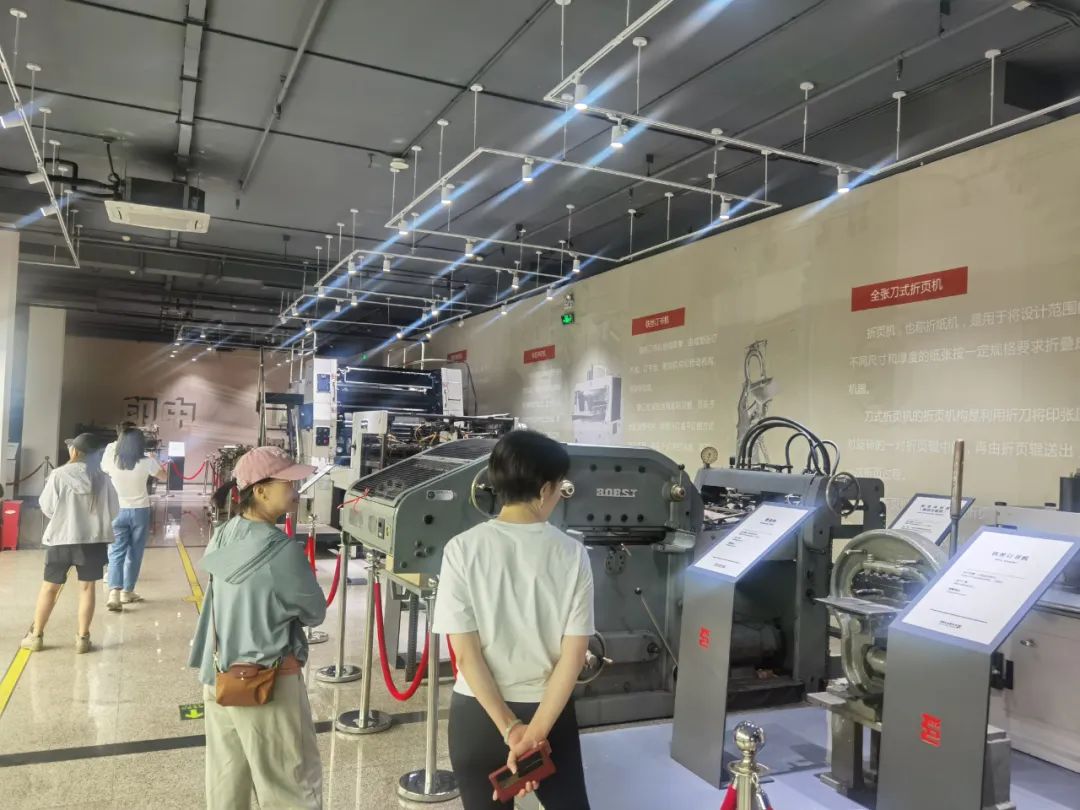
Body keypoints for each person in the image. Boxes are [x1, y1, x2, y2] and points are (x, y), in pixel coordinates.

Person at [432, 429, 594, 809]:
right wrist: (533, 735)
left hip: (478, 714)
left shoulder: (461, 549)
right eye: (559, 487)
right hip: (548, 714)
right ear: (544, 489)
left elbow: (465, 655)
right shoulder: (572, 554)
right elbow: (574, 656)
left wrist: (510, 730)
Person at [188, 446, 326, 810]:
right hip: (268, 684)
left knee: (227, 785)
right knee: (291, 788)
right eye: (288, 483)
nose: (296, 490)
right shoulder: (281, 551)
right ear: (261, 491)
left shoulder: (224, 533)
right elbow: (314, 612)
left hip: (221, 677)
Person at [21, 433, 119, 654]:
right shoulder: (103, 478)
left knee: (49, 587)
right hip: (93, 541)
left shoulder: (59, 475)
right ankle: (83, 639)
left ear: (75, 451)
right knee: (87, 588)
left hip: (61, 539)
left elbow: (47, 507)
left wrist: (66, 516)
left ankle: (36, 636)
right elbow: (114, 510)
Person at [101, 426, 166, 610]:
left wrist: (115, 444)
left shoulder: (111, 462)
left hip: (117, 511)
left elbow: (104, 462)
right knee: (135, 553)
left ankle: (114, 593)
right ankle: (127, 591)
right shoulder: (147, 462)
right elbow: (164, 476)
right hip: (140, 512)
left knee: (115, 552)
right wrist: (154, 459)